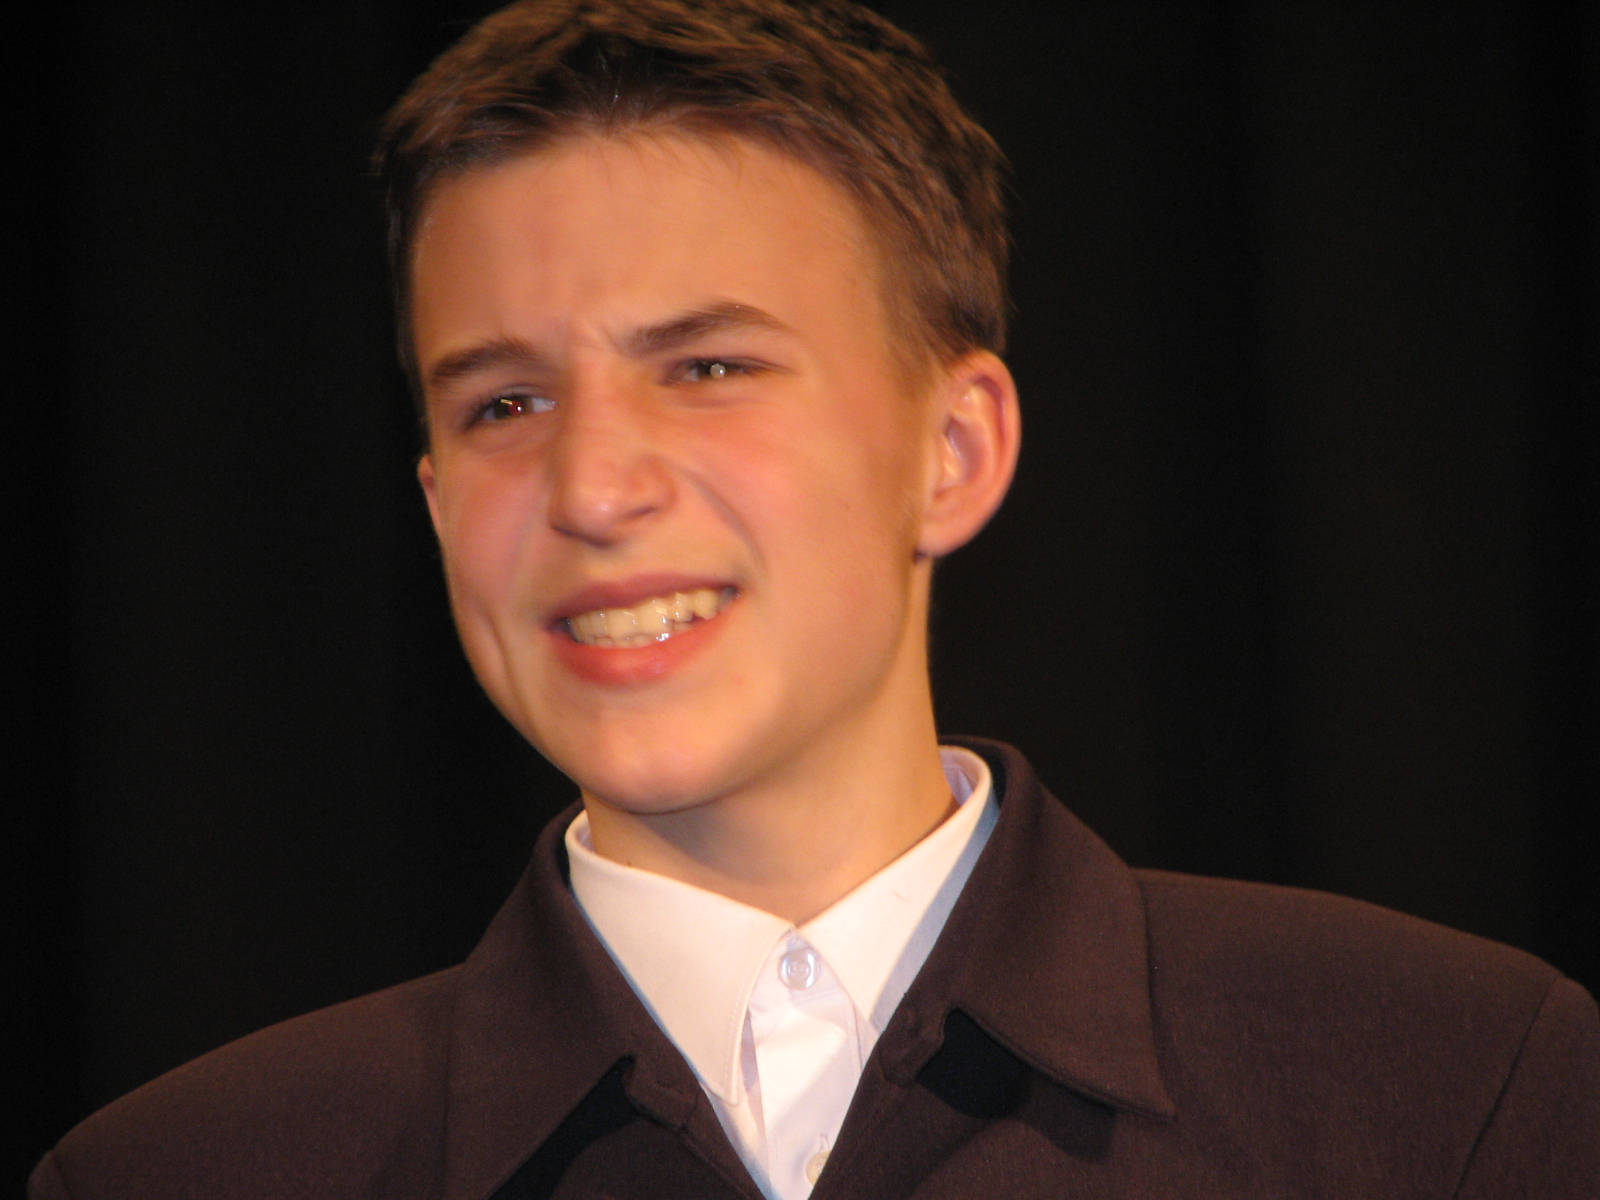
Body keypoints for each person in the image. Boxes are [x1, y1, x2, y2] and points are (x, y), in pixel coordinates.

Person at [32, 1, 1599, 1197]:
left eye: (709, 367)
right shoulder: (181, 1174)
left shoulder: (1451, 1086)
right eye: (504, 402)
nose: (591, 488)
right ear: (437, 504)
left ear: (952, 452)